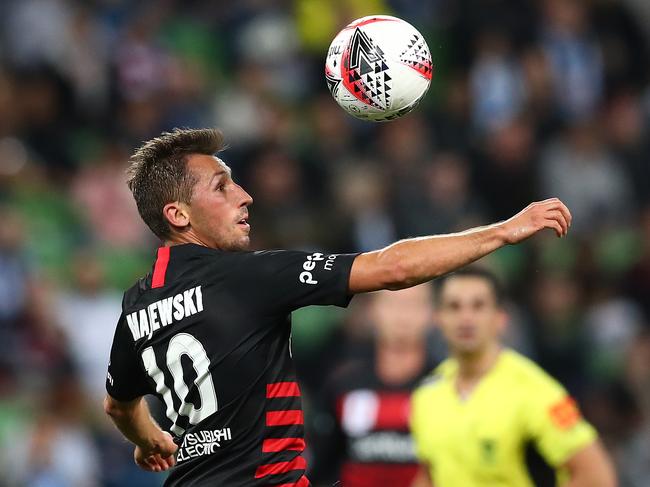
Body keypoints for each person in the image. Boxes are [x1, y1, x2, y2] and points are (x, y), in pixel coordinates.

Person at [103, 127, 572, 487]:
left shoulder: (136, 307)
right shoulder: (250, 277)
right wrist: (502, 231)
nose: (245, 196)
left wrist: (148, 440)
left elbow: (119, 405)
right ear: (178, 215)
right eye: (222, 187)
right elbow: (393, 269)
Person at [410, 268, 617, 487]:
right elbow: (430, 475)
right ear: (438, 319)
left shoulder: (534, 389)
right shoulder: (427, 394)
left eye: (478, 306)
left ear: (500, 318)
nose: (466, 318)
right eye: (454, 307)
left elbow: (597, 476)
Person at [309, 284, 436, 487]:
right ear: (373, 310)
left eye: (413, 304)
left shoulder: (446, 385)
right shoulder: (343, 385)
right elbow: (320, 465)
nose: (402, 316)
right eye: (393, 304)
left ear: (432, 313)